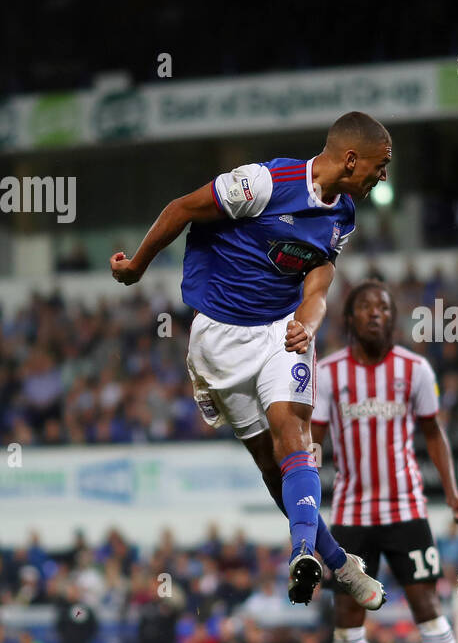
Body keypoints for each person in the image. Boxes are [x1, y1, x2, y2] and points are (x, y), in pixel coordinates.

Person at [111, 112, 390, 610]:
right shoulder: (262, 183)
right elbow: (181, 209)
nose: (383, 175)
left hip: (281, 332)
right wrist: (137, 264)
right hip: (219, 339)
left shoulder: (343, 214)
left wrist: (309, 318)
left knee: (295, 439)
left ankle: (303, 550)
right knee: (272, 469)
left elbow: (320, 281)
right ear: (351, 158)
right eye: (380, 164)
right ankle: (340, 563)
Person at [313, 280, 458, 643]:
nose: (376, 314)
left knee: (428, 607)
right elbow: (314, 444)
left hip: (406, 510)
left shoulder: (415, 369)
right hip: (350, 514)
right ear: (349, 318)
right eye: (366, 307)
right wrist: (301, 497)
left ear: (394, 317)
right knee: (347, 614)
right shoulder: (327, 373)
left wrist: (453, 492)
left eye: (383, 307)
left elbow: (433, 434)